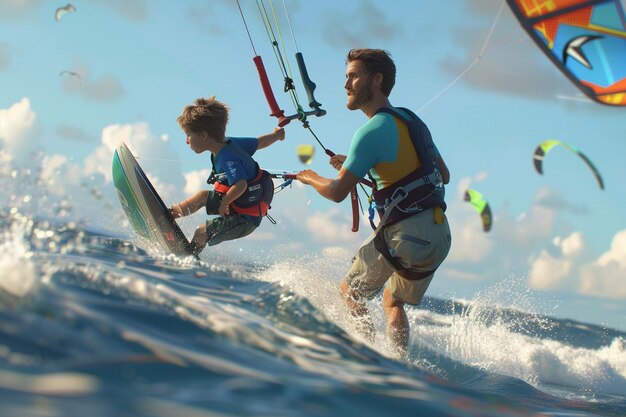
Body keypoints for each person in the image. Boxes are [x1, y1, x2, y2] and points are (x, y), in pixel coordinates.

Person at [296, 49, 451, 357]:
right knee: (392, 301)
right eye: (346, 77)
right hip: (439, 235)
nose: (346, 85)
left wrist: (310, 177)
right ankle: (398, 363)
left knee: (350, 293)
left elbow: (338, 191)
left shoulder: (370, 131)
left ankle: (366, 361)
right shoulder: (411, 119)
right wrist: (367, 166)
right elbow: (442, 175)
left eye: (353, 76)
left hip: (407, 234)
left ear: (377, 80)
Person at [170, 96, 285, 255]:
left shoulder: (226, 156)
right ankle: (170, 215)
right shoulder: (229, 142)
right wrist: (276, 136)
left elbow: (241, 184)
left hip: (245, 218)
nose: (186, 141)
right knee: (203, 196)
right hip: (237, 203)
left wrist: (224, 203)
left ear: (203, 135)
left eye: (188, 135)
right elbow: (260, 142)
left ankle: (188, 256)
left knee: (201, 232)